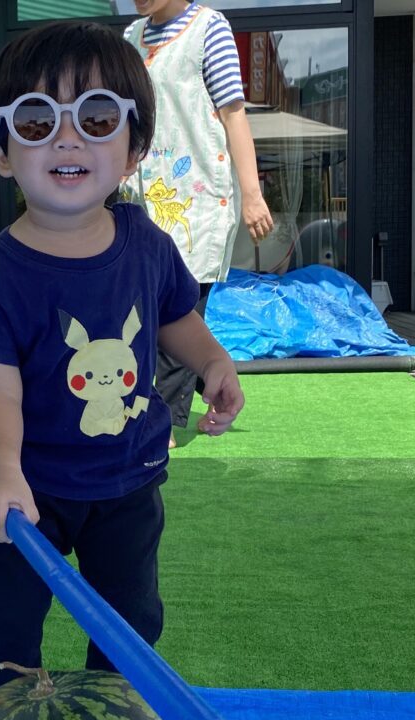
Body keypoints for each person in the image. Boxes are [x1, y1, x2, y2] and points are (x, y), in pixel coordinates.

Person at [0, 20, 244, 695]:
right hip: (27, 490)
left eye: (97, 117)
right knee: (8, 626)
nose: (67, 137)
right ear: (2, 152)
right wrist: (2, 475)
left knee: (130, 620)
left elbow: (177, 317)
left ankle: (116, 715)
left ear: (134, 149)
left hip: (128, 479)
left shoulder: (146, 243)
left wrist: (213, 362)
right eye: (36, 119)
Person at [125, 0, 273, 447]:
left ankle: (165, 419)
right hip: (140, 196)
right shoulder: (131, 38)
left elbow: (233, 113)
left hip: (195, 197)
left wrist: (252, 194)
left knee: (180, 306)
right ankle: (157, 401)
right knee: (138, 306)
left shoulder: (209, 29)